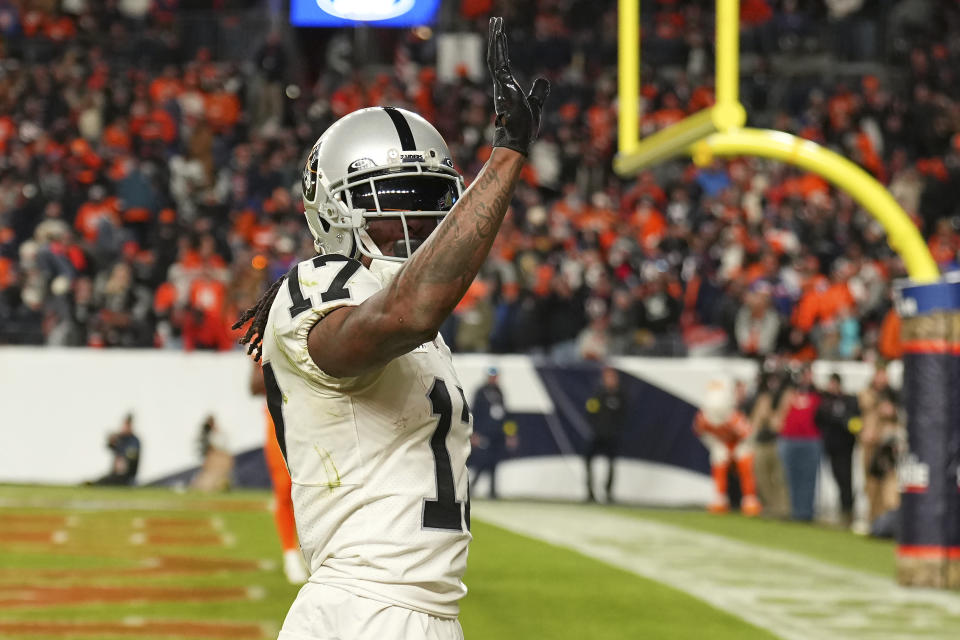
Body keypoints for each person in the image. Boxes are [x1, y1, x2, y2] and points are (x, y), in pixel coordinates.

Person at [233, 17, 548, 640]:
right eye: (388, 206)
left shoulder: (417, 328)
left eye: (432, 203)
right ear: (333, 213)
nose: (414, 224)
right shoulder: (316, 287)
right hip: (365, 608)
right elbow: (405, 311)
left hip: (415, 611)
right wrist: (507, 155)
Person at [250, 362, 308, 585]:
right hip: (280, 417)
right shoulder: (266, 336)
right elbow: (253, 387)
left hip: (315, 414)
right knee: (285, 487)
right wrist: (263, 363)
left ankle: (310, 550)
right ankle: (290, 554)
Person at [693, 379, 762, 516]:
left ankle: (750, 499)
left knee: (745, 461)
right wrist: (716, 446)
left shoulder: (733, 418)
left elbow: (748, 435)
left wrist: (739, 448)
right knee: (718, 460)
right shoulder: (703, 418)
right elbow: (702, 434)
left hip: (738, 445)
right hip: (722, 445)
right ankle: (720, 499)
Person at [775, 364, 822, 521]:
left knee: (808, 478)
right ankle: (792, 510)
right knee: (789, 477)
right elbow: (780, 413)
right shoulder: (788, 394)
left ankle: (806, 512)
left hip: (810, 440)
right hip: (789, 440)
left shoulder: (818, 395)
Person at [815, 373, 859, 526]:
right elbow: (819, 419)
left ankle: (848, 511)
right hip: (830, 446)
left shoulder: (848, 400)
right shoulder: (825, 401)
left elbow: (853, 422)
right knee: (836, 477)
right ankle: (844, 509)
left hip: (844, 447)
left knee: (845, 479)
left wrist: (841, 417)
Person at [747, 365, 789, 518]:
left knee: (779, 478)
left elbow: (778, 424)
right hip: (761, 442)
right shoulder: (761, 397)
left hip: (776, 442)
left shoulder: (783, 396)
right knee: (761, 477)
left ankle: (783, 509)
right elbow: (754, 423)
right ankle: (769, 507)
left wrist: (768, 413)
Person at [469, 366, 516, 499]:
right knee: (483, 460)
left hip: (497, 433)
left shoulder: (499, 392)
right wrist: (474, 433)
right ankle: (472, 486)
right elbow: (475, 412)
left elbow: (505, 415)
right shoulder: (481, 391)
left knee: (494, 462)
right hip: (484, 432)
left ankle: (492, 491)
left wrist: (510, 434)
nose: (493, 379)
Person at [584, 366, 627, 503]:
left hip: (612, 435)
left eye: (612, 377)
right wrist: (596, 428)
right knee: (588, 460)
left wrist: (616, 430)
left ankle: (608, 494)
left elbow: (624, 416)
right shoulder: (598, 394)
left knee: (611, 463)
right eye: (607, 377)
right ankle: (590, 493)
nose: (610, 380)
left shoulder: (620, 396)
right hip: (598, 434)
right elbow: (590, 411)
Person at [91, 413, 140, 486]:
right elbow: (109, 446)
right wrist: (113, 440)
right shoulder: (121, 439)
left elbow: (131, 455)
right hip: (116, 474)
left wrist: (121, 450)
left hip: (127, 477)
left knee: (106, 482)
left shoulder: (134, 440)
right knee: (103, 481)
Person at [190, 414, 234, 493]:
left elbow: (222, 448)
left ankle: (223, 485)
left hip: (219, 459)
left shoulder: (219, 434)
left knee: (213, 482)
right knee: (203, 484)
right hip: (213, 461)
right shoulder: (206, 435)